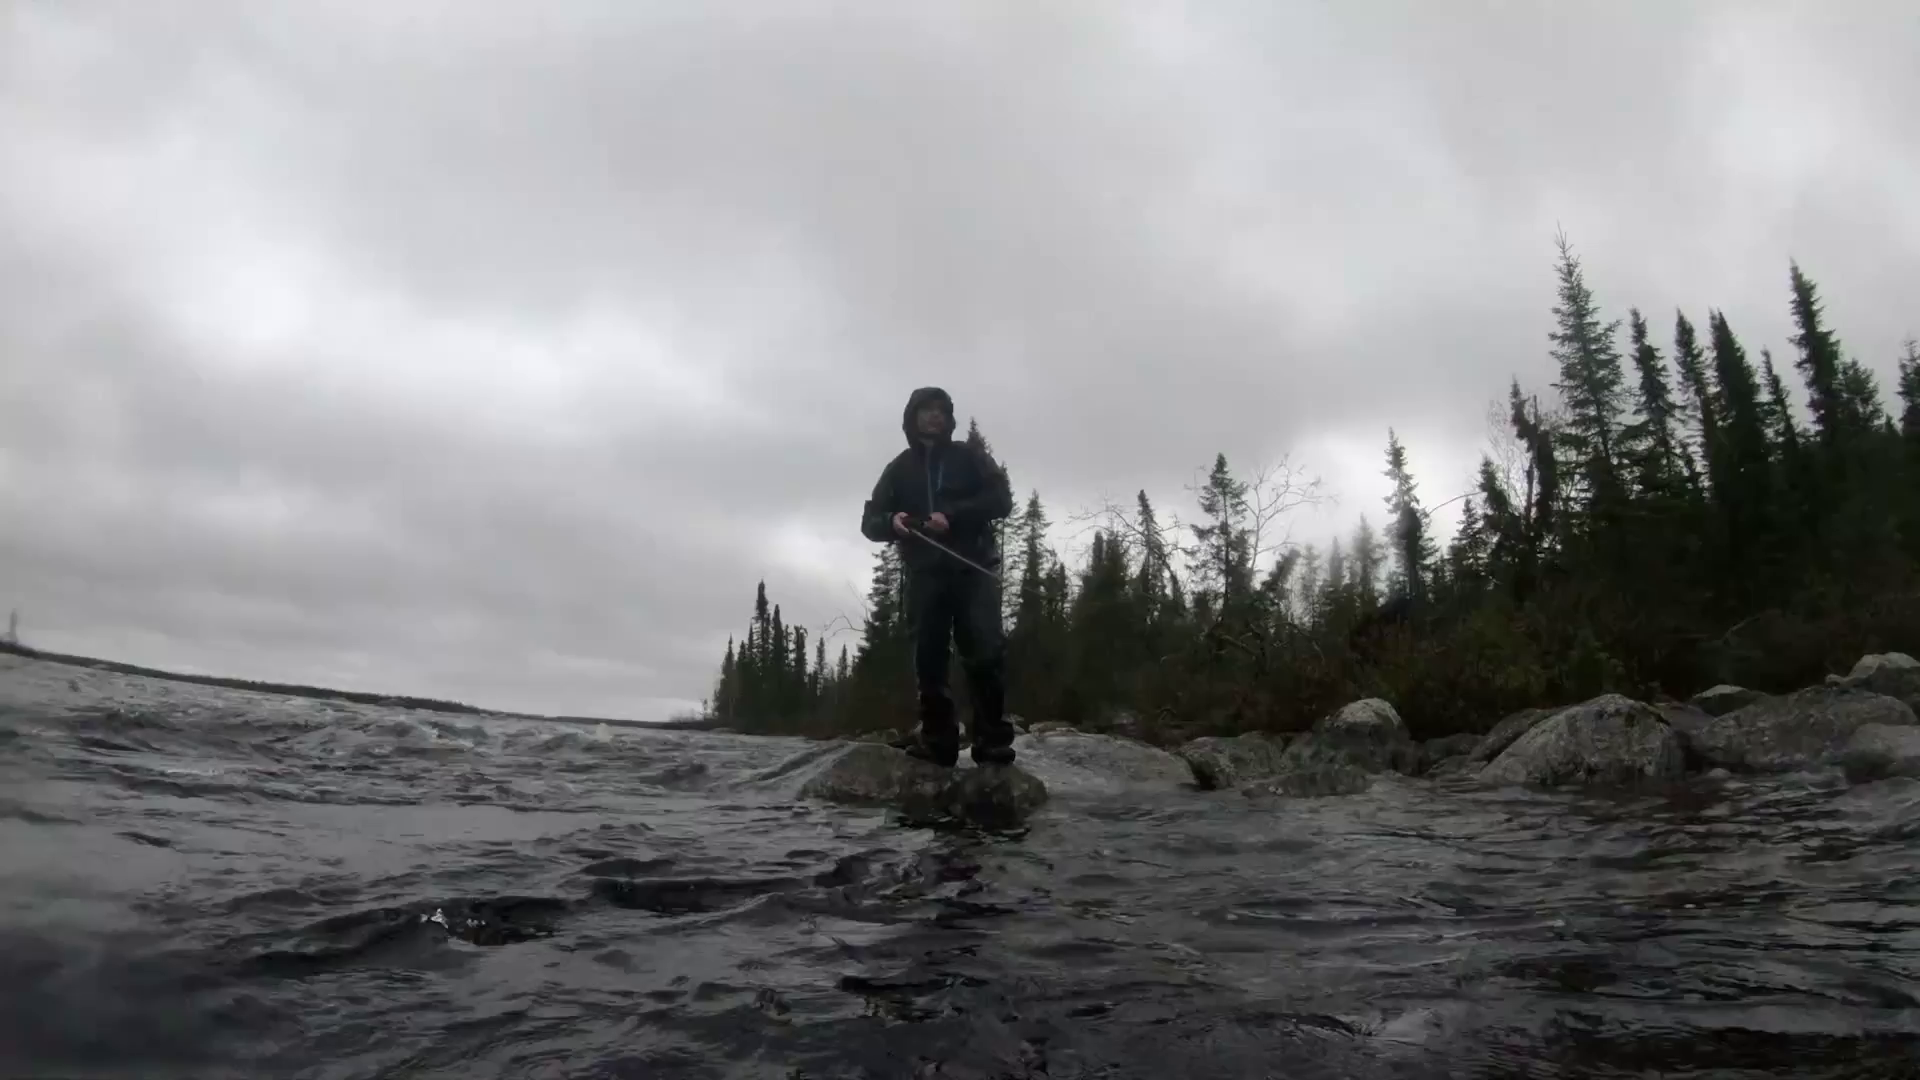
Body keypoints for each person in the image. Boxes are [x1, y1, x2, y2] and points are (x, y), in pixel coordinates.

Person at [859, 387, 1017, 767]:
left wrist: (953, 515)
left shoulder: (970, 457)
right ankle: (938, 740)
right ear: (912, 418)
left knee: (985, 654)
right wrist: (892, 522)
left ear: (948, 419)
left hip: (973, 569)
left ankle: (992, 742)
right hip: (925, 575)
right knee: (928, 659)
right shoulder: (898, 468)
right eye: (926, 410)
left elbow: (1001, 501)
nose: (934, 416)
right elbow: (870, 522)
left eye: (940, 410)